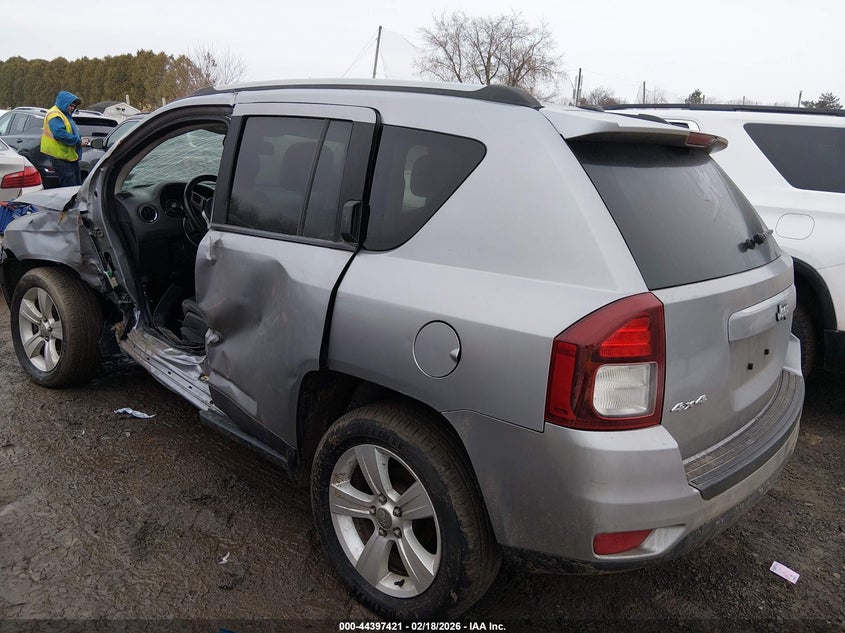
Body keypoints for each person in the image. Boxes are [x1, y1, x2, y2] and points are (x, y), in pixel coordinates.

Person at [40, 90, 88, 187]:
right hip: (61, 158)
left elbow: (68, 131)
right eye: (71, 105)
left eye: (74, 106)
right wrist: (78, 141)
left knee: (76, 187)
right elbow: (60, 134)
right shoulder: (55, 115)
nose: (72, 108)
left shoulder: (64, 114)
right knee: (69, 189)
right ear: (64, 103)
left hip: (69, 157)